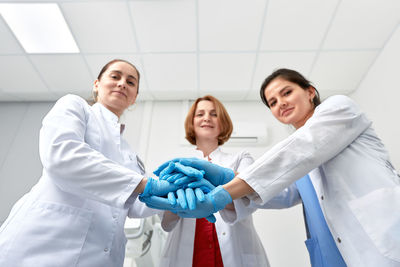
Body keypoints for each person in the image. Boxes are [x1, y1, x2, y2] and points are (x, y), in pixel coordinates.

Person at [147, 69, 400, 267]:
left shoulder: (339, 108)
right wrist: (227, 181)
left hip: (377, 238)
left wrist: (222, 190)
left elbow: (297, 153)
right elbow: (276, 191)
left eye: (287, 93)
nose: (281, 103)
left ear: (310, 91)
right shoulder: (294, 157)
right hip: (331, 248)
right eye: (273, 101)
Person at [0, 59, 176, 267]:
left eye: (130, 82)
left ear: (134, 98)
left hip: (100, 257)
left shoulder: (130, 155)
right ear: (96, 84)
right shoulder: (74, 107)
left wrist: (173, 198)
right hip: (43, 245)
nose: (122, 84)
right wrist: (146, 185)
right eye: (115, 76)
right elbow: (64, 157)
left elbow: (135, 205)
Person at [156, 95, 269, 267]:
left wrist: (211, 196)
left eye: (214, 114)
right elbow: (166, 219)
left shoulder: (241, 159)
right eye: (200, 114)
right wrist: (174, 203)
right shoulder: (177, 164)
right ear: (192, 123)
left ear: (223, 123)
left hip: (234, 252)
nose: (207, 118)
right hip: (190, 255)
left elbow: (250, 199)